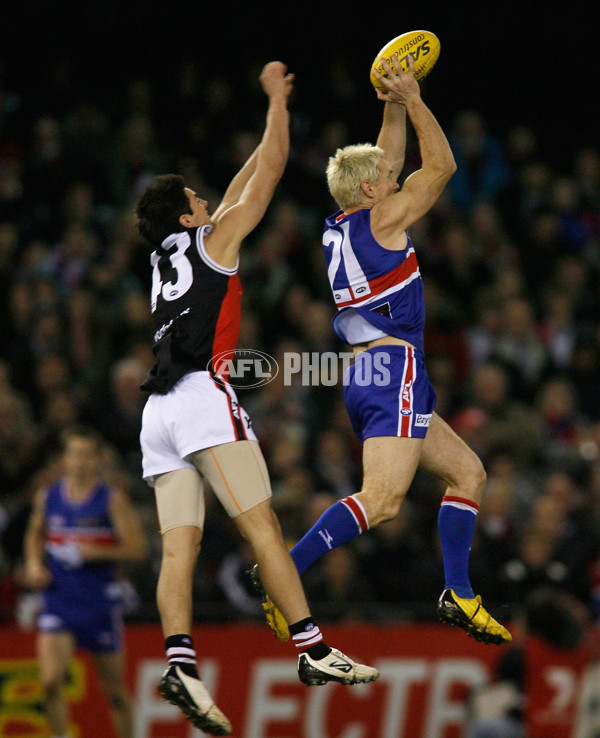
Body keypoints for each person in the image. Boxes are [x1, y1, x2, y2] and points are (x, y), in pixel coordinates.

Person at [134, 61, 378, 737]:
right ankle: (312, 648)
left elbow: (239, 185)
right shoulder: (213, 242)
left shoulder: (165, 259)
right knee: (264, 529)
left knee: (177, 551)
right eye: (200, 200)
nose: (212, 203)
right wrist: (276, 103)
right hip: (205, 398)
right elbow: (268, 173)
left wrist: (252, 152)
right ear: (188, 216)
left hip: (157, 414)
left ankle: (180, 664)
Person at [253, 55, 512, 647]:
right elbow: (441, 165)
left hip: (374, 367)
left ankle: (458, 592)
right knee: (384, 500)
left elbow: (388, 160)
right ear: (372, 192)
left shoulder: (345, 223)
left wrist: (392, 101)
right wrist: (417, 99)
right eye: (388, 180)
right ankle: (281, 574)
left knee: (468, 472)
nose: (397, 180)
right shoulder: (384, 219)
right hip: (392, 368)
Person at [22, 425, 148, 738]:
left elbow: (137, 548)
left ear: (97, 460)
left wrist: (96, 553)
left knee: (115, 692)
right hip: (59, 600)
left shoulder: (110, 499)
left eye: (86, 455)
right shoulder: (49, 495)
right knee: (50, 681)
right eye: (74, 454)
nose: (80, 462)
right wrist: (35, 563)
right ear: (64, 458)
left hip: (99, 605)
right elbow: (35, 533)